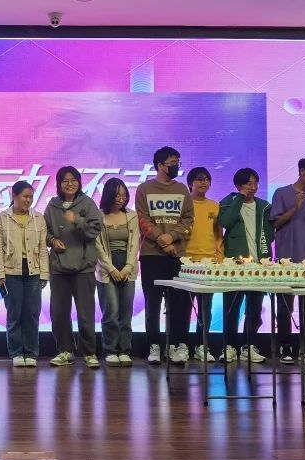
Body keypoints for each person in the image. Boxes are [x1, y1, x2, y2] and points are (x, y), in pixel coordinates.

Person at [134, 146, 194, 364]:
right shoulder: (144, 189)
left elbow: (188, 219)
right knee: (153, 302)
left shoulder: (182, 189)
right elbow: (142, 219)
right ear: (160, 166)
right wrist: (161, 239)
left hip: (177, 255)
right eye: (172, 163)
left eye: (178, 162)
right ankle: (154, 346)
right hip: (151, 255)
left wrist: (172, 237)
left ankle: (175, 345)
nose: (176, 167)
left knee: (179, 302)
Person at [270, 155, 305, 363]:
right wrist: (295, 207)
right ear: (302, 171)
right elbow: (275, 224)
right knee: (284, 307)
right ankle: (285, 347)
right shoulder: (281, 193)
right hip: (286, 258)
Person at [44, 167, 104, 368]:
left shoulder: (87, 203)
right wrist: (53, 241)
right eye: (65, 181)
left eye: (73, 180)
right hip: (59, 267)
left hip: (83, 267)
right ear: (59, 184)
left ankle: (89, 352)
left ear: (79, 182)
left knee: (85, 313)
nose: (69, 184)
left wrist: (77, 220)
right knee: (59, 312)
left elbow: (96, 229)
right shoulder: (52, 205)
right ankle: (65, 351)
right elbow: (44, 232)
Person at [0, 180, 50, 368]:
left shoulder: (38, 218)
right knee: (14, 314)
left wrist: (44, 273)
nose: (28, 200)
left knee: (32, 313)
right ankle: (16, 352)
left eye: (31, 197)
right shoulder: (2, 219)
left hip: (34, 271)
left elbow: (43, 249)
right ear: (14, 196)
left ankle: (31, 352)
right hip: (11, 272)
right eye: (25, 196)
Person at [218, 168, 272, 363]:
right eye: (248, 183)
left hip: (259, 265)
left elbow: (270, 232)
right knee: (231, 308)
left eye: (255, 183)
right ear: (238, 185)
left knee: (255, 309)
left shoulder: (264, 206)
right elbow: (225, 222)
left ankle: (248, 346)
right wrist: (239, 198)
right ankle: (229, 347)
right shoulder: (228, 202)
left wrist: (265, 255)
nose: (253, 187)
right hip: (235, 265)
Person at [94, 177, 140, 367]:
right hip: (106, 268)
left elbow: (135, 243)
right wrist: (111, 269)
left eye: (124, 195)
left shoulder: (131, 215)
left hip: (127, 266)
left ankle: (124, 350)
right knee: (111, 311)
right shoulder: (98, 216)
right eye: (117, 195)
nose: (121, 199)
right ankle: (110, 350)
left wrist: (128, 267)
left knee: (126, 312)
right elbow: (97, 245)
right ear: (108, 195)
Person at [183, 167, 223, 362]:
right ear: (190, 183)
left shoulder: (214, 206)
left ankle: (202, 346)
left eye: (206, 179)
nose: (203, 183)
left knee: (205, 309)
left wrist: (219, 257)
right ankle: (182, 346)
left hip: (209, 263)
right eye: (199, 179)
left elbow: (218, 235)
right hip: (186, 262)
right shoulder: (184, 204)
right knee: (184, 307)